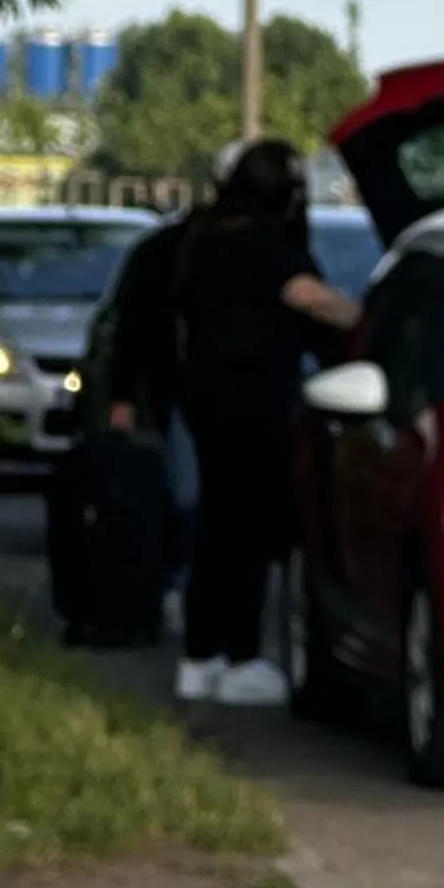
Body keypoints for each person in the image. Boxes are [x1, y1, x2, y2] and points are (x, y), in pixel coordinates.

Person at [110, 139, 358, 705]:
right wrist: (370, 322)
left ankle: (202, 656)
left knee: (218, 525)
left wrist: (126, 393)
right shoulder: (267, 245)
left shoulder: (192, 241)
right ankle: (237, 655)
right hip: (254, 403)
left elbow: (140, 320)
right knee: (246, 530)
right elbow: (308, 299)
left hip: (200, 399)